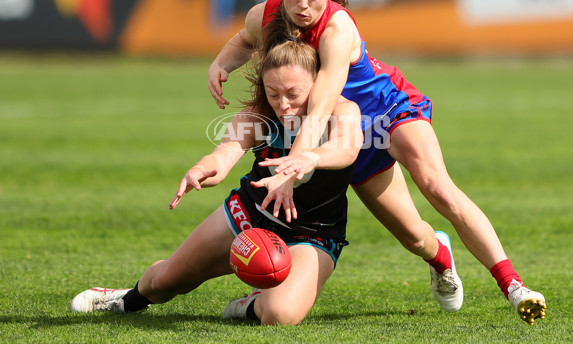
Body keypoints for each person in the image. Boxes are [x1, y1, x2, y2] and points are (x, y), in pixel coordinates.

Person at [207, 0, 546, 325]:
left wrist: (290, 169)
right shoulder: (266, 14)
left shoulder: (336, 30)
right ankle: (439, 257)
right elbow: (243, 41)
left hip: (386, 112)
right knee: (413, 237)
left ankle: (515, 286)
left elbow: (319, 108)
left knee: (436, 186)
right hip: (342, 135)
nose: (303, 4)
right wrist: (221, 64)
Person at [70, 29, 367, 325]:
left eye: (293, 94)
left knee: (280, 314)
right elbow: (222, 156)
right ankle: (125, 299)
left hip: (312, 233)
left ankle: (248, 306)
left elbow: (347, 149)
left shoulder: (343, 111)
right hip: (250, 215)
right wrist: (202, 170)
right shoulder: (256, 117)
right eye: (273, 93)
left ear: (318, 84)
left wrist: (308, 157)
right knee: (165, 282)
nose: (283, 104)